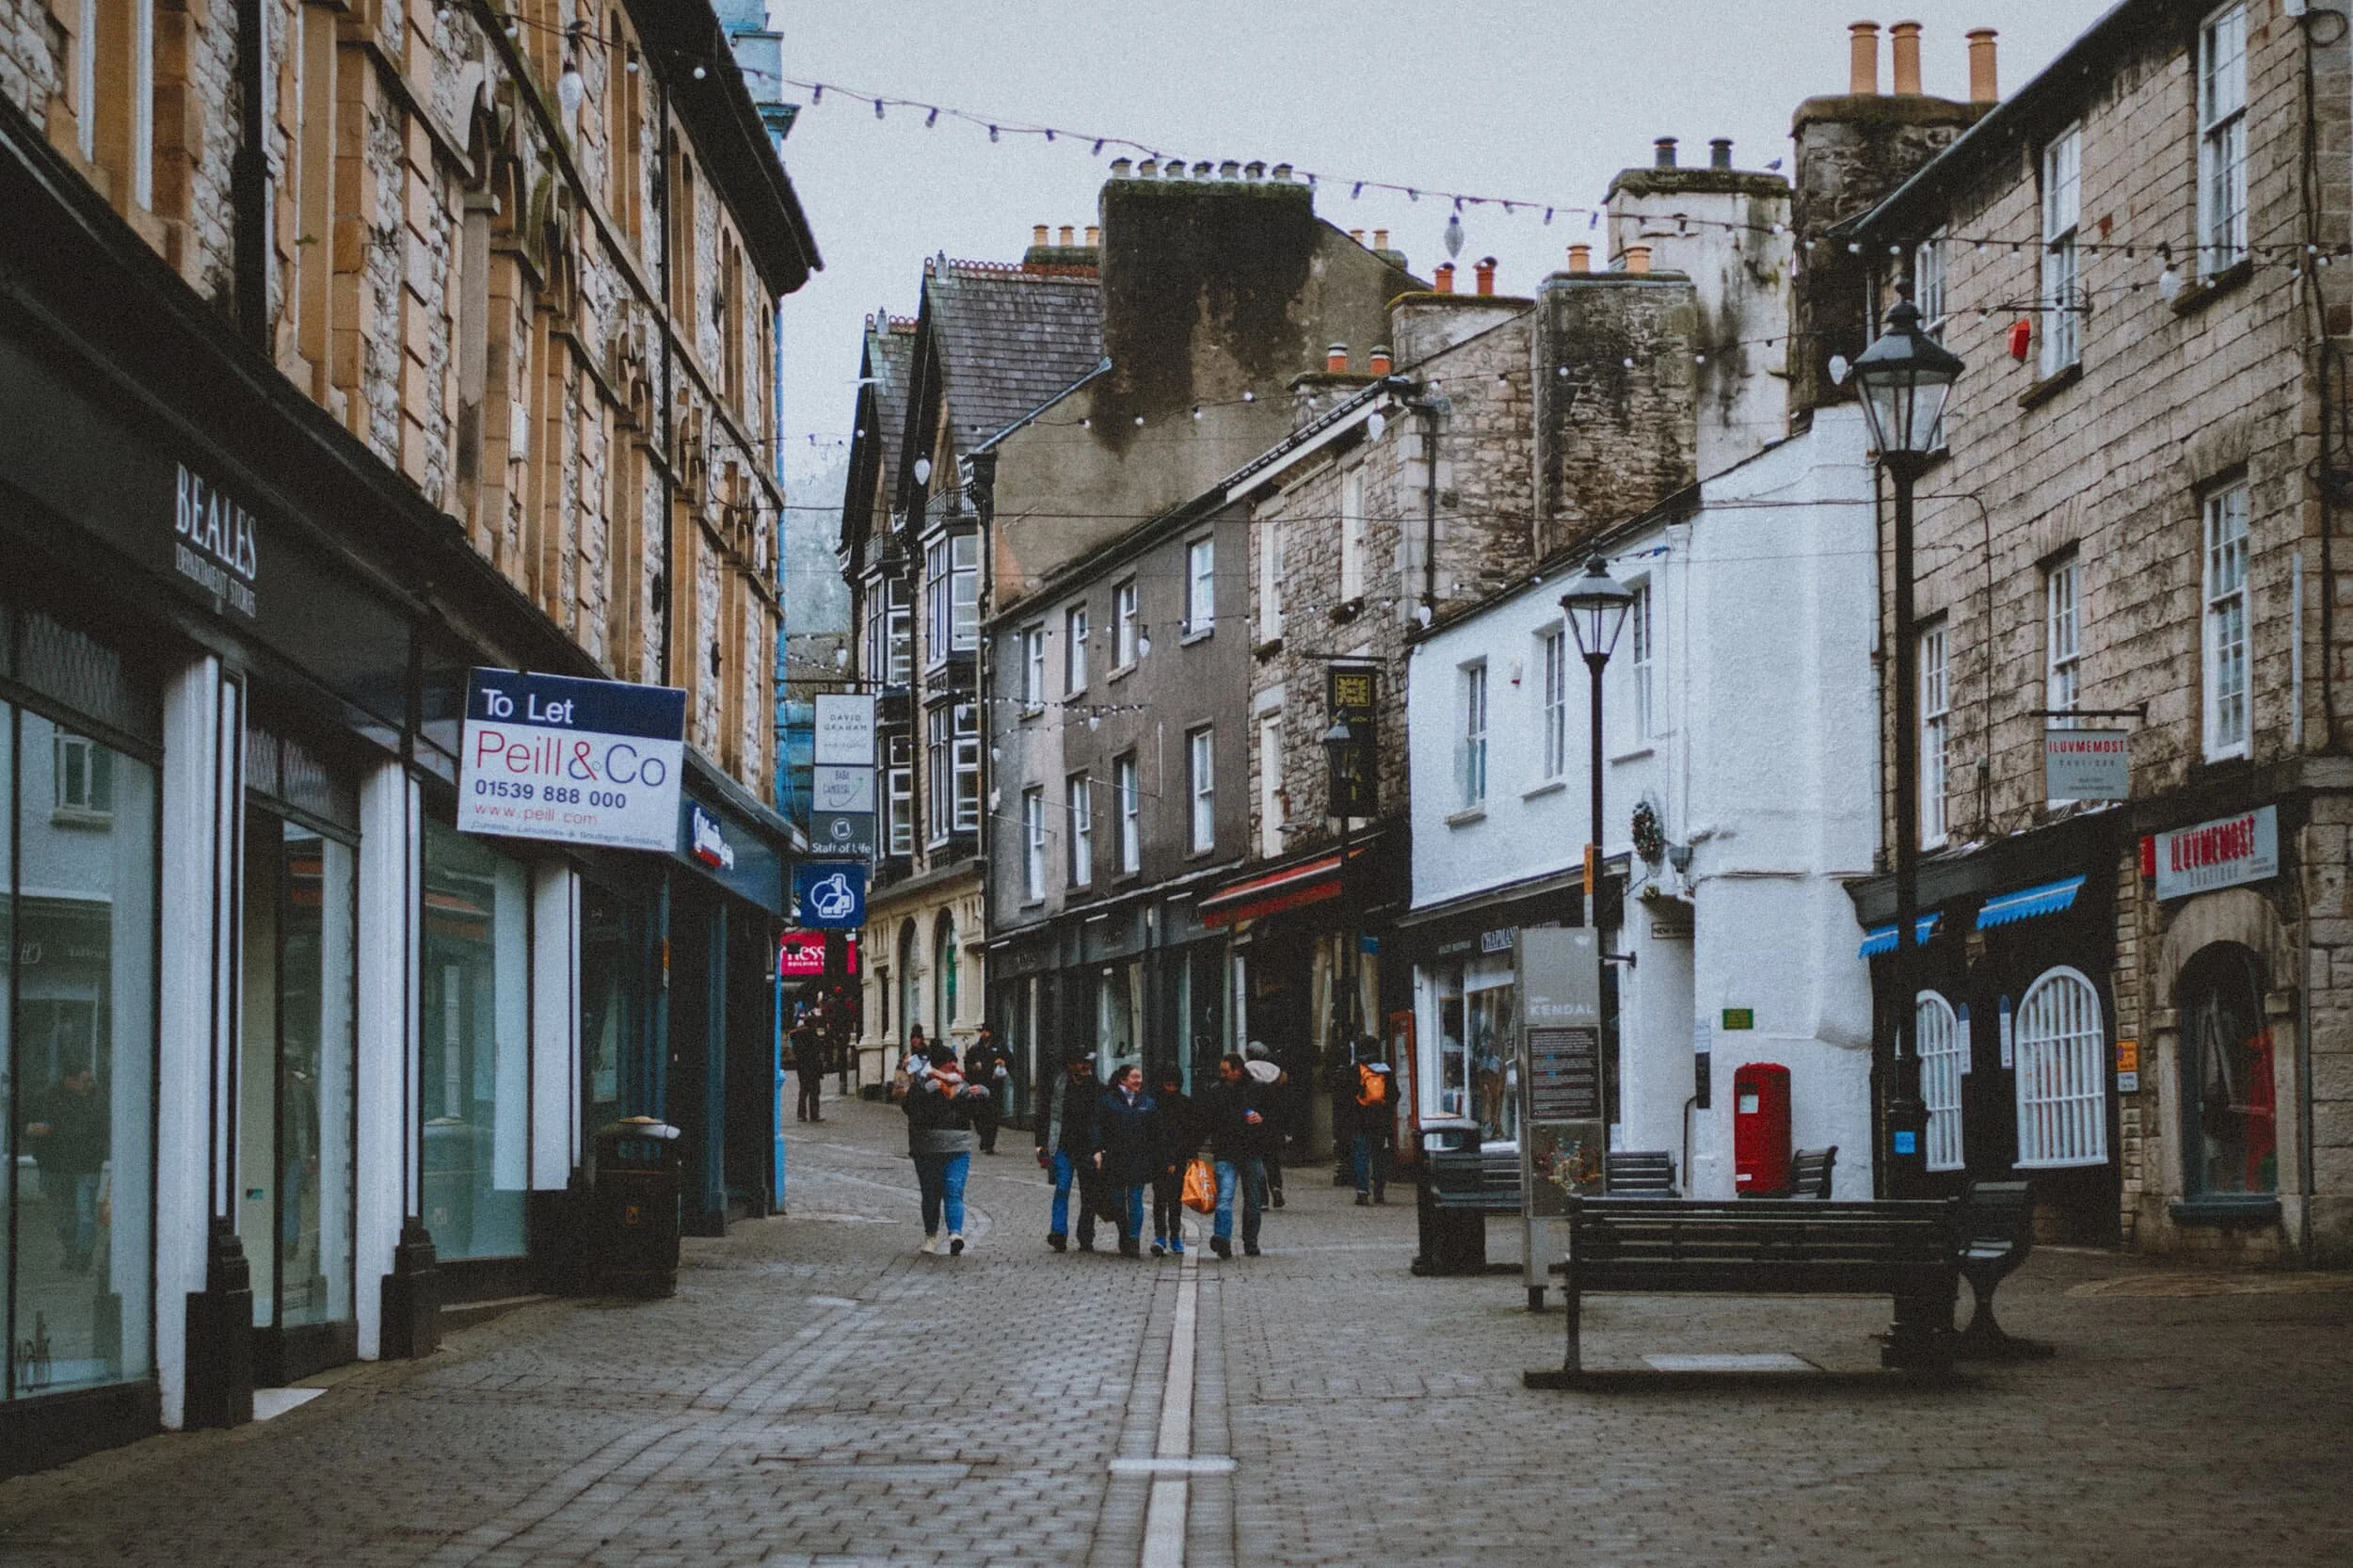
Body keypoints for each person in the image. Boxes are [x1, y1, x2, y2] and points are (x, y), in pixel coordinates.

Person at [904, 1039, 985, 1254]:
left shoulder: (962, 1085)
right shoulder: (923, 1083)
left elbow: (977, 1114)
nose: (953, 1066)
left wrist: (983, 1095)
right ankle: (931, 1235)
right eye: (949, 1062)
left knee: (953, 1191)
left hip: (957, 1147)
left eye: (954, 1061)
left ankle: (955, 1234)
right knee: (930, 1195)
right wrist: (931, 1088)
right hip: (927, 1148)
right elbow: (909, 1107)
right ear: (939, 1064)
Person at [24, 1067, 105, 1272]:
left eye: (90, 1081)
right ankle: (72, 1252)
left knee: (84, 1213)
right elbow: (25, 1122)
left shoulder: (97, 1100)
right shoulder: (46, 1099)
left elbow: (99, 1129)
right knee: (63, 1216)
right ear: (69, 1080)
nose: (89, 1085)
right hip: (57, 1166)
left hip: (86, 1164)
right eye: (84, 1081)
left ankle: (83, 1255)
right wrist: (30, 1129)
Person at [1199, 1053, 1273, 1258]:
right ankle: (1222, 1238)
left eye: (1225, 1071)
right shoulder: (1215, 1092)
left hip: (1251, 1151)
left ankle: (1251, 1242)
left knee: (1253, 1201)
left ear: (1237, 1070)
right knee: (1225, 1196)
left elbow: (1273, 1117)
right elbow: (1208, 1121)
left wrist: (1262, 1119)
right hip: (1226, 1151)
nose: (1222, 1075)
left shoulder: (1258, 1089)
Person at [1035, 1054, 1104, 1252]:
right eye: (1080, 1063)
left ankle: (1086, 1236)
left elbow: (1101, 1119)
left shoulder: (1096, 1088)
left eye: (1087, 1063)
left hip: (1088, 1148)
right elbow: (1044, 1114)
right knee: (1062, 1187)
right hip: (1063, 1146)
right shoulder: (1058, 1085)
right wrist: (1040, 1144)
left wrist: (1100, 1148)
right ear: (1070, 1065)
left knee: (1089, 1194)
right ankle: (1058, 1233)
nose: (1085, 1067)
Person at [1092, 1064, 1160, 1258]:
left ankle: (1133, 1239)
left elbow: (1156, 1132)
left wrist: (1159, 1156)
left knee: (1136, 1199)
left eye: (1139, 1077)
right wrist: (1097, 1149)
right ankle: (1124, 1233)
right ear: (1123, 1080)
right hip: (1115, 1158)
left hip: (1139, 1158)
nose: (1138, 1080)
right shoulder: (1108, 1101)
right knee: (1118, 1201)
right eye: (1134, 1077)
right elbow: (1097, 1126)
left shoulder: (1148, 1103)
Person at [1147, 1065, 1201, 1257]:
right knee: (1160, 1198)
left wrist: (1190, 1155)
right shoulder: (1154, 1104)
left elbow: (1191, 1132)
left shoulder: (1185, 1104)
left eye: (1174, 1085)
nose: (1170, 1089)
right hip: (1159, 1157)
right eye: (1167, 1085)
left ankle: (1175, 1236)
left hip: (1178, 1157)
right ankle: (1161, 1236)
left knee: (1175, 1199)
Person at [1348, 1040, 1397, 1205]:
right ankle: (1379, 1191)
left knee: (1361, 1155)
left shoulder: (1356, 1069)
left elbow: (1348, 1094)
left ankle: (1362, 1191)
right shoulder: (1386, 1070)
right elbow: (1394, 1094)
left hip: (1360, 1120)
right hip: (1380, 1120)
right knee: (1379, 1155)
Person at [1242, 1041, 1289, 1209]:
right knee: (1272, 1159)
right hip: (1273, 1123)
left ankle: (1262, 1198)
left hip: (1253, 1122)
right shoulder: (1276, 1072)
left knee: (1257, 1160)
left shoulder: (1246, 1071)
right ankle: (1276, 1186)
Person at [962, 1025, 1013, 1155]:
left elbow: (1010, 1061)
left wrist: (1003, 1063)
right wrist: (973, 1068)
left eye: (987, 1031)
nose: (984, 1034)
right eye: (982, 1031)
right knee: (978, 1114)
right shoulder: (975, 1049)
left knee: (993, 1116)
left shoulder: (999, 1048)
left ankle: (989, 1142)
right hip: (979, 1086)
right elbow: (967, 1064)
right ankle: (983, 1135)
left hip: (994, 1086)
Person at [791, 1013, 826, 1123]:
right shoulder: (812, 1034)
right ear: (813, 1024)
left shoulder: (796, 1035)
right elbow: (816, 1051)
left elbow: (796, 1051)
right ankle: (814, 1115)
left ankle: (801, 1115)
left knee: (803, 1090)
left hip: (801, 1066)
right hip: (812, 1066)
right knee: (814, 1091)